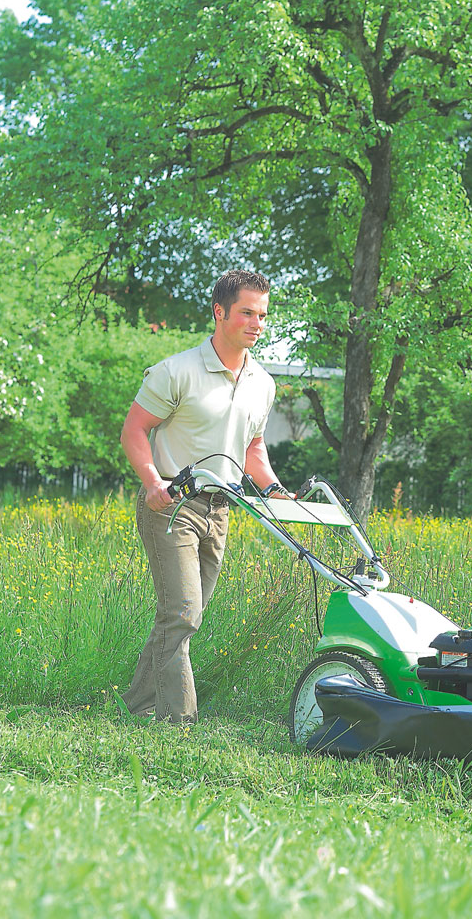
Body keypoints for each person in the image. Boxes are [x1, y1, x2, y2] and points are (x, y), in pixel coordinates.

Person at [119, 269, 290, 723]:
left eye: (263, 315)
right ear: (220, 312)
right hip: (171, 505)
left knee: (180, 618)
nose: (257, 324)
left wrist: (273, 488)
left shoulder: (263, 383)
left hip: (221, 509)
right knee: (184, 614)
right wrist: (153, 482)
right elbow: (135, 429)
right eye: (247, 313)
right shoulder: (178, 371)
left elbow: (252, 446)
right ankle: (179, 723)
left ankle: (136, 705)